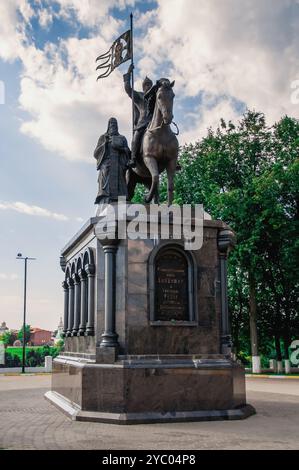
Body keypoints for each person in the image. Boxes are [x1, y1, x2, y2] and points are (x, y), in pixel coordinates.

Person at [123, 64, 156, 167]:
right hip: (143, 122)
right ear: (143, 87)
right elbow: (128, 89)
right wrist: (128, 74)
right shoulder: (138, 96)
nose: (148, 86)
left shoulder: (155, 97)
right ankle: (133, 158)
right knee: (137, 136)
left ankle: (173, 158)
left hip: (155, 122)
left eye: (150, 84)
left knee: (168, 132)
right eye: (146, 85)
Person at [94, 117, 130, 204]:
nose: (113, 125)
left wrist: (121, 148)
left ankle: (121, 201)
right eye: (111, 124)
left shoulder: (122, 138)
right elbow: (95, 153)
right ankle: (106, 199)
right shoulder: (103, 137)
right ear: (108, 126)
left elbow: (128, 151)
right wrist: (105, 144)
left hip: (119, 165)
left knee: (121, 182)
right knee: (106, 172)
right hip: (107, 164)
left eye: (115, 124)